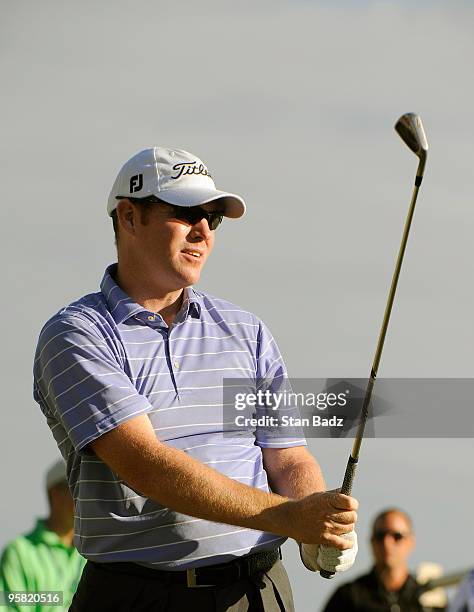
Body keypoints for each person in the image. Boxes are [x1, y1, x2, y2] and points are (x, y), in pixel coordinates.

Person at [33, 147, 359, 612]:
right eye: (186, 212)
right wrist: (291, 517)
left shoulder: (245, 330)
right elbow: (145, 466)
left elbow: (286, 457)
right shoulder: (76, 334)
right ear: (128, 217)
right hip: (136, 596)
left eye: (213, 218)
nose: (203, 230)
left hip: (258, 588)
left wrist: (319, 522)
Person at [0, 460, 86, 611]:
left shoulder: (96, 551)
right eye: (79, 489)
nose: (87, 498)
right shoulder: (19, 552)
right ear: (55, 495)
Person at [322, 507, 446, 612]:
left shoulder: (428, 599)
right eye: (380, 536)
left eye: (397, 536)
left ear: (410, 542)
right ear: (372, 542)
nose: (387, 543)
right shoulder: (348, 597)